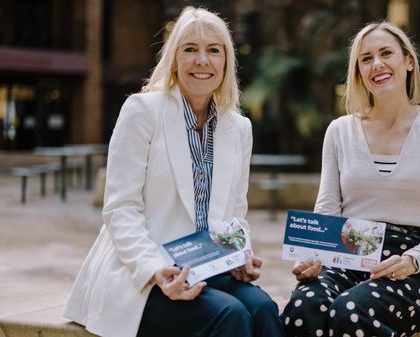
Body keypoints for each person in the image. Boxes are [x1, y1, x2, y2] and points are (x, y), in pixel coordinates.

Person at [63, 7, 284, 337]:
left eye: (213, 50)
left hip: (209, 267)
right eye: (190, 49)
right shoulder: (142, 112)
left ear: (226, 61)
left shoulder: (238, 128)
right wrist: (156, 270)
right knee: (231, 316)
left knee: (264, 310)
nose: (202, 61)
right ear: (174, 58)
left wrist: (239, 255)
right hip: (144, 273)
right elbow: (121, 210)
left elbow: (235, 213)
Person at [280, 21, 420, 337]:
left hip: (409, 269)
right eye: (366, 58)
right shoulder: (339, 131)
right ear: (358, 71)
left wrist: (413, 259)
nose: (376, 64)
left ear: (408, 62)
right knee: (305, 306)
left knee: (352, 310)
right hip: (346, 255)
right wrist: (315, 256)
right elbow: (328, 208)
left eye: (386, 53)